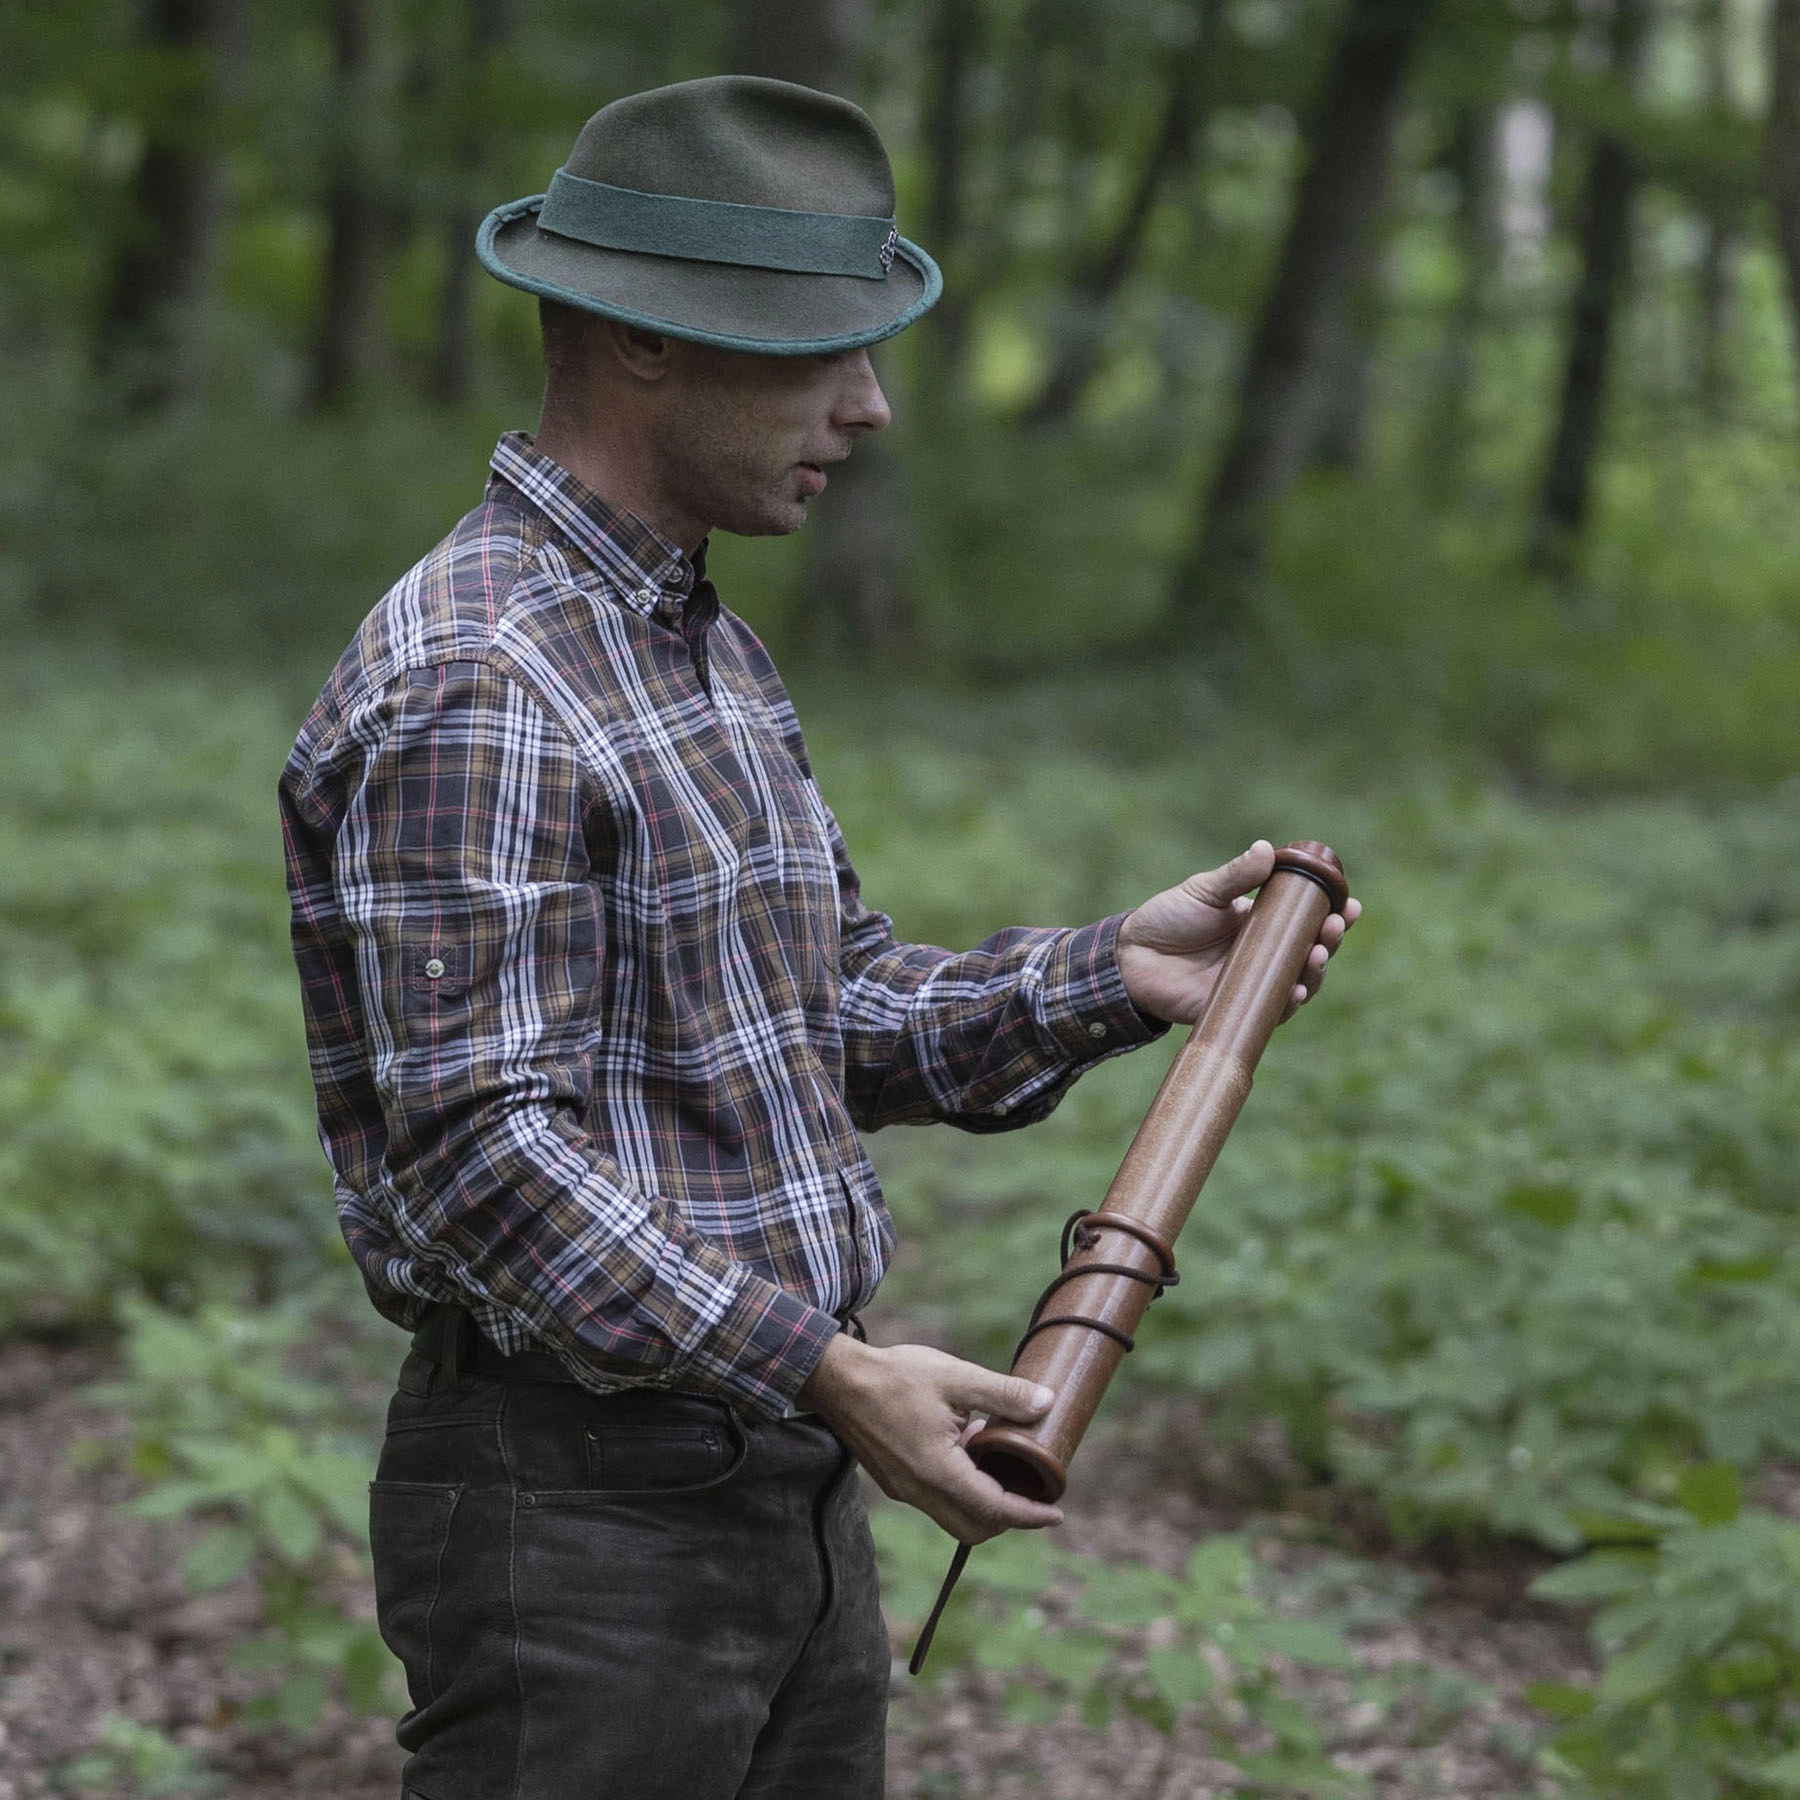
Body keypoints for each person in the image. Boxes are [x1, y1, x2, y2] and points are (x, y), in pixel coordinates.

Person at [279, 74, 1356, 1800]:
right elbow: (482, 1155)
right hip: (581, 1517)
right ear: (643, 343)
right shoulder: (484, 677)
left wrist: (1112, 974)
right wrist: (834, 1370)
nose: (868, 408)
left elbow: (810, 1011)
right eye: (818, 351)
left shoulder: (697, 645)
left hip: (770, 1472)